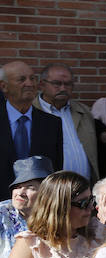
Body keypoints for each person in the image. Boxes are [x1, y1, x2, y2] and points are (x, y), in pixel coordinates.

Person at [3, 61, 64, 193]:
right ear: (4, 86)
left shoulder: (52, 123)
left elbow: (56, 171)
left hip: (39, 205)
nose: (29, 84)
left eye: (32, 78)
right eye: (21, 79)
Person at [35, 63, 98, 181]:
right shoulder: (32, 111)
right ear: (42, 85)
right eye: (57, 83)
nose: (63, 88)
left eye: (68, 84)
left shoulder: (83, 112)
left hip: (84, 189)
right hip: (47, 191)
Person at [0, 157, 50, 258]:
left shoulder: (55, 216)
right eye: (17, 187)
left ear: (45, 194)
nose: (20, 193)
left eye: (30, 188)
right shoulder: (2, 214)